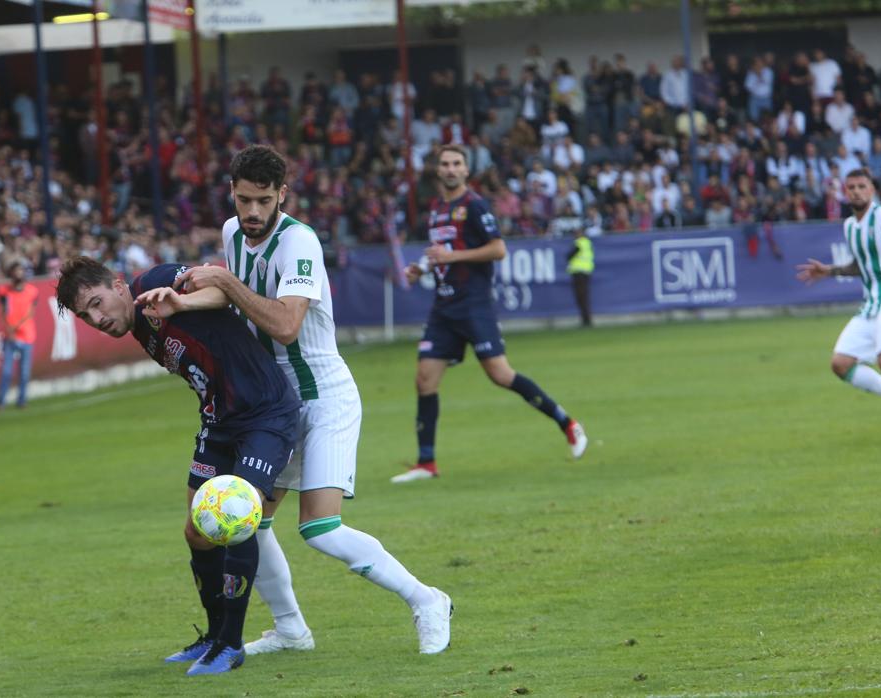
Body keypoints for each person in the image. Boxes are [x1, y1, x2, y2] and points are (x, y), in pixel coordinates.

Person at [165, 144, 453, 657]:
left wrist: (224, 281)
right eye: (244, 199)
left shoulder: (299, 242)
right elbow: (235, 298)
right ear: (231, 193)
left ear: (283, 195)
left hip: (322, 397)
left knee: (319, 526)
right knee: (249, 520)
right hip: (271, 405)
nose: (252, 212)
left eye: (263, 200)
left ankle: (427, 598)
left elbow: (285, 324)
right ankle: (291, 629)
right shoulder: (234, 234)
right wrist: (182, 301)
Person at [57, 256, 300, 675]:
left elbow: (226, 290)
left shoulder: (154, 282)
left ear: (118, 286)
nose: (96, 318)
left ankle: (231, 644)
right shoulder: (140, 328)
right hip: (219, 421)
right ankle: (213, 633)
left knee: (237, 517)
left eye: (97, 303)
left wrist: (183, 303)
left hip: (264, 413)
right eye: (85, 315)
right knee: (197, 531)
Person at [393, 145, 588, 484]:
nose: (450, 169)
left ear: (467, 170)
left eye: (456, 164)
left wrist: (451, 258)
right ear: (438, 171)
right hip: (443, 307)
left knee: (500, 374)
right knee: (424, 379)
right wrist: (422, 268)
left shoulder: (475, 205)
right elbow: (443, 252)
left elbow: (498, 249)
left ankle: (567, 423)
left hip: (474, 304)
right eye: (445, 164)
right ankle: (427, 462)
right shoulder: (437, 209)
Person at [796, 169, 881, 434]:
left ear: (872, 190)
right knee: (841, 364)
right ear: (845, 192)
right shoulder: (850, 226)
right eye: (851, 187)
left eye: (861, 186)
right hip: (871, 305)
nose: (856, 191)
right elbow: (861, 265)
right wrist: (830, 271)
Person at [0, 262, 38, 410]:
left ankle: (22, 400)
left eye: (21, 271)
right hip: (10, 336)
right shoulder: (4, 292)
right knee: (7, 372)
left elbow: (31, 311)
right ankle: (0, 401)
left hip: (27, 335)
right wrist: (9, 330)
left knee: (24, 372)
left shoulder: (32, 291)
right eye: (16, 271)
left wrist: (20, 324)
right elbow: (2, 312)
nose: (19, 274)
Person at [567, 227, 594, 327]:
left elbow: (569, 256)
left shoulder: (579, 243)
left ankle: (586, 320)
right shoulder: (587, 243)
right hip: (586, 272)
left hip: (579, 273)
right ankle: (586, 319)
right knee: (584, 298)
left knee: (581, 298)